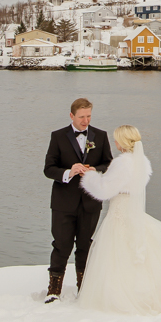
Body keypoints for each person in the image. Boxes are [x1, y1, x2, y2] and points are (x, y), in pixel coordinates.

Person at [76, 125, 161, 315]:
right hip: (134, 211)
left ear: (121, 142)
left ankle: (118, 295)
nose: (114, 142)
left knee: (115, 250)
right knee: (136, 250)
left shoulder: (121, 163)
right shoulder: (143, 162)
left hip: (120, 210)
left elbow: (104, 189)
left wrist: (89, 176)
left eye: (116, 139)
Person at [42, 97, 112, 302]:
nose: (85, 121)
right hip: (63, 203)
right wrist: (68, 172)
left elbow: (108, 163)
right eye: (81, 117)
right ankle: (53, 291)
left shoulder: (100, 135)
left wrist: (95, 170)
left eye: (89, 116)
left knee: (85, 246)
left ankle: (84, 289)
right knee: (61, 245)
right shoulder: (57, 136)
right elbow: (48, 169)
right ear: (71, 116)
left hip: (90, 202)